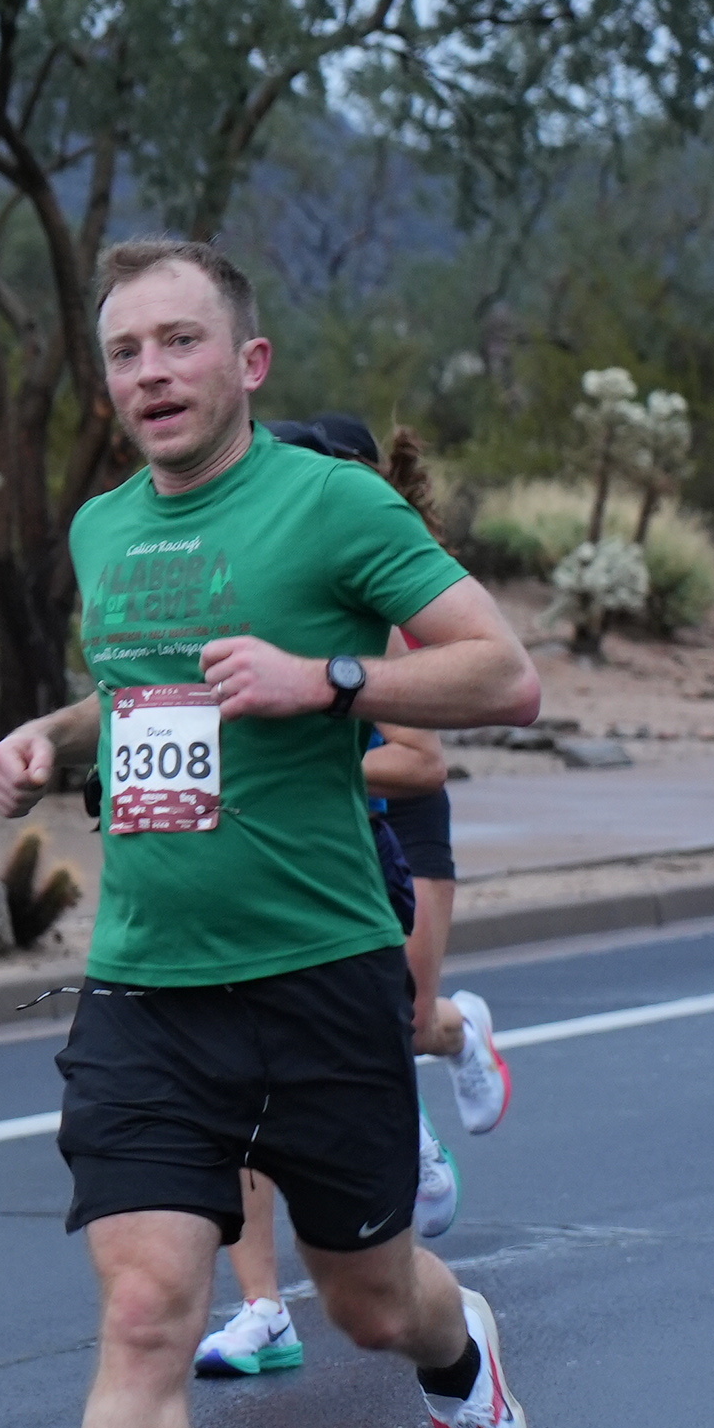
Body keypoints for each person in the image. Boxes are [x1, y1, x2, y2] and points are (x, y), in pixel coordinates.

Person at [0, 244, 542, 1428]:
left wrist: (331, 678)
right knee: (146, 1309)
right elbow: (144, 697)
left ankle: (462, 1363)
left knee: (369, 1304)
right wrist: (50, 739)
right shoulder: (104, 529)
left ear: (250, 362)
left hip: (319, 978)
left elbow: (505, 676)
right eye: (126, 352)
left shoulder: (333, 507)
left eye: (180, 342)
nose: (151, 373)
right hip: (148, 984)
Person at [195, 419, 516, 1379]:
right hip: (289, 843)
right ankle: (262, 1307)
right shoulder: (250, 585)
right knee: (245, 1081)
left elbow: (424, 759)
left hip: (392, 827)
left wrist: (308, 732)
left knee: (405, 1022)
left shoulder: (394, 596)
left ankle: (455, 1038)